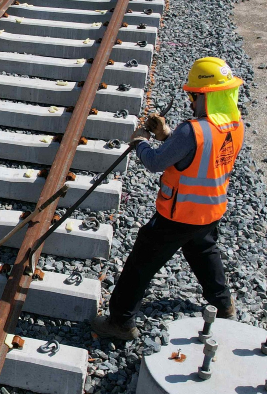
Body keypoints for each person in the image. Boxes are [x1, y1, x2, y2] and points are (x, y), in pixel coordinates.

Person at [90, 56, 244, 340]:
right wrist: (168, 135)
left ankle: (120, 322)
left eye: (193, 96)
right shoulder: (234, 126)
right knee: (203, 253)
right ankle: (223, 306)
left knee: (141, 263)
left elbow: (156, 162)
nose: (190, 101)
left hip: (178, 214)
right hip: (210, 212)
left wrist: (140, 142)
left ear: (204, 96)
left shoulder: (192, 130)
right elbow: (200, 155)